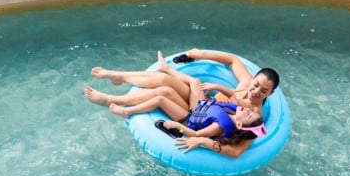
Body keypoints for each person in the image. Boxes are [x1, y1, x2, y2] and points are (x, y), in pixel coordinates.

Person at [85, 51, 275, 157]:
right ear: (253, 78)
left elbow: (236, 151)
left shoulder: (253, 117)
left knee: (164, 92)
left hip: (197, 118)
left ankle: (110, 100)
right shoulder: (245, 85)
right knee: (166, 79)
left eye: (263, 91)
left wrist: (201, 140)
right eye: (255, 84)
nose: (256, 91)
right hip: (203, 106)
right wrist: (198, 54)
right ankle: (119, 77)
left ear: (271, 93)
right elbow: (233, 60)